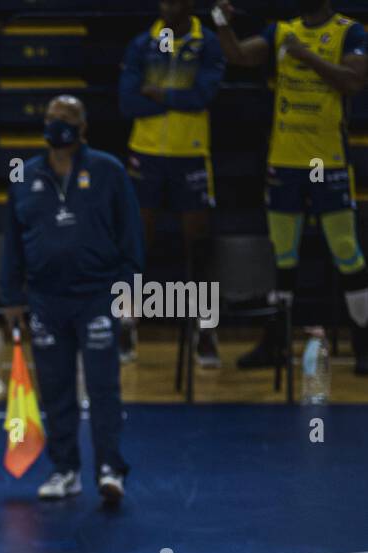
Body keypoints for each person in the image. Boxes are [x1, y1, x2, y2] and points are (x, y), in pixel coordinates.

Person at [0, 96, 143, 504]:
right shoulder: (25, 175)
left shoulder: (108, 171)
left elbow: (131, 233)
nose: (55, 125)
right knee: (55, 388)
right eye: (49, 119)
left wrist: (130, 288)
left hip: (97, 295)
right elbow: (12, 241)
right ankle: (65, 470)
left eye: (65, 120)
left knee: (103, 387)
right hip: (45, 298)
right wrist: (11, 296)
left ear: (83, 129)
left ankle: (110, 468)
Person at [216, 0, 368, 375]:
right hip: (284, 161)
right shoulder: (281, 31)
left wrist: (305, 56)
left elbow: (352, 81)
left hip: (325, 160)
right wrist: (221, 22)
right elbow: (237, 55)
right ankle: (275, 343)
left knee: (347, 252)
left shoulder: (351, 31)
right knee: (282, 257)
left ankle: (363, 345)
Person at [118, 0, 224, 367]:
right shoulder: (141, 44)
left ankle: (205, 331)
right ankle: (126, 323)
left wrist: (158, 93)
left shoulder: (207, 42)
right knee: (134, 243)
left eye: (175, 0)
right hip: (144, 154)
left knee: (198, 248)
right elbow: (128, 102)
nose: (168, 6)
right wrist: (177, 100)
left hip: (191, 155)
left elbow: (203, 97)